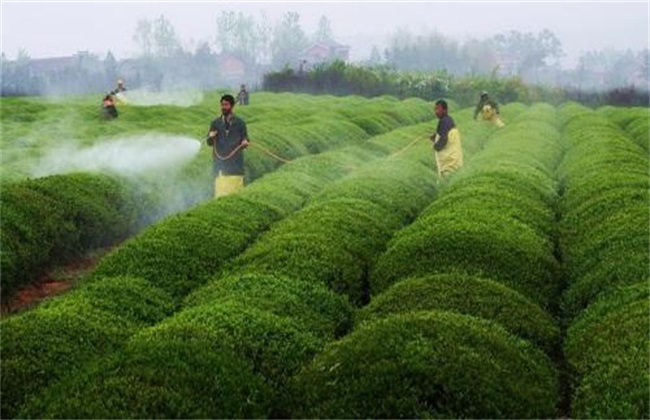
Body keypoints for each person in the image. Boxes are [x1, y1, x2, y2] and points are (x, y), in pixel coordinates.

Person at [206, 94, 250, 198]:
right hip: (220, 167)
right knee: (220, 197)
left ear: (232, 106)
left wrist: (244, 141)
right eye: (222, 105)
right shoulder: (215, 123)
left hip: (235, 167)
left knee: (236, 196)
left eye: (226, 105)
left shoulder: (240, 123)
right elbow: (209, 143)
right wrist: (210, 136)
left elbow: (245, 138)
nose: (223, 107)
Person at [431, 99, 463, 179]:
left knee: (447, 179)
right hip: (454, 159)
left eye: (438, 109)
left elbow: (443, 140)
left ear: (445, 110)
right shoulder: (448, 120)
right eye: (435, 109)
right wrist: (435, 138)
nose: (436, 111)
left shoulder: (444, 122)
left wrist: (435, 146)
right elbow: (446, 136)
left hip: (449, 162)